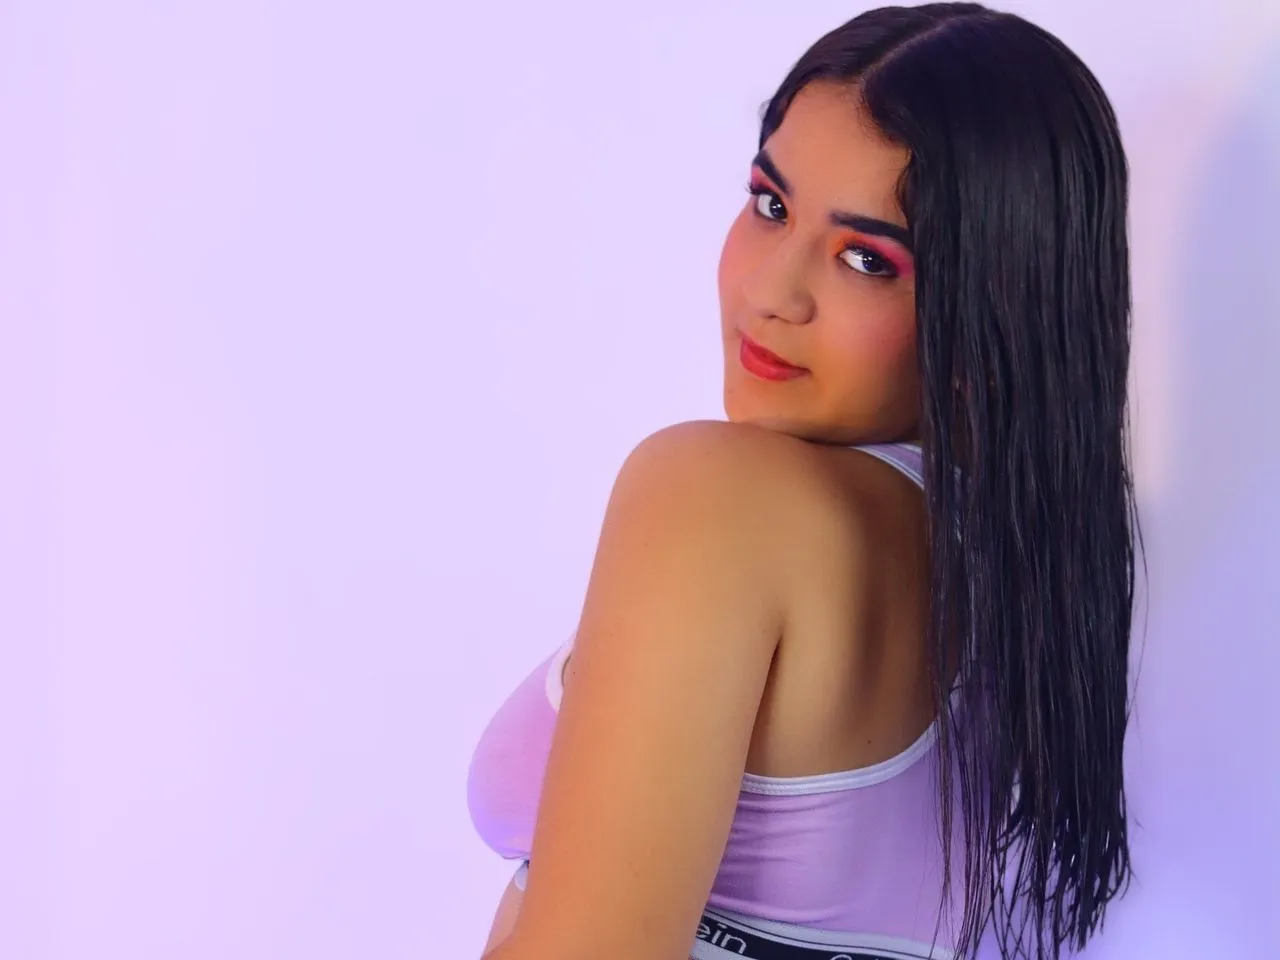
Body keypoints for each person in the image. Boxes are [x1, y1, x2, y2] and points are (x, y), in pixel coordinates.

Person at [466, 3, 1140, 958]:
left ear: (991, 306)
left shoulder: (719, 496)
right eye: (771, 205)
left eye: (867, 259)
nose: (771, 293)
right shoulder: (1034, 577)